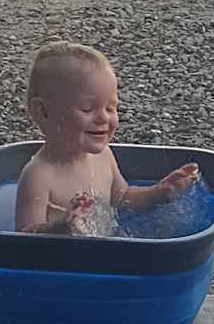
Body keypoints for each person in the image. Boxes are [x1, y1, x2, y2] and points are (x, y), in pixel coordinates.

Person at [14, 40, 199, 235]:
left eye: (111, 108)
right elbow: (25, 236)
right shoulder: (39, 175)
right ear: (43, 111)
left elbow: (123, 199)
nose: (103, 117)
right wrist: (63, 227)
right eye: (88, 108)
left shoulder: (103, 156)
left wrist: (158, 193)